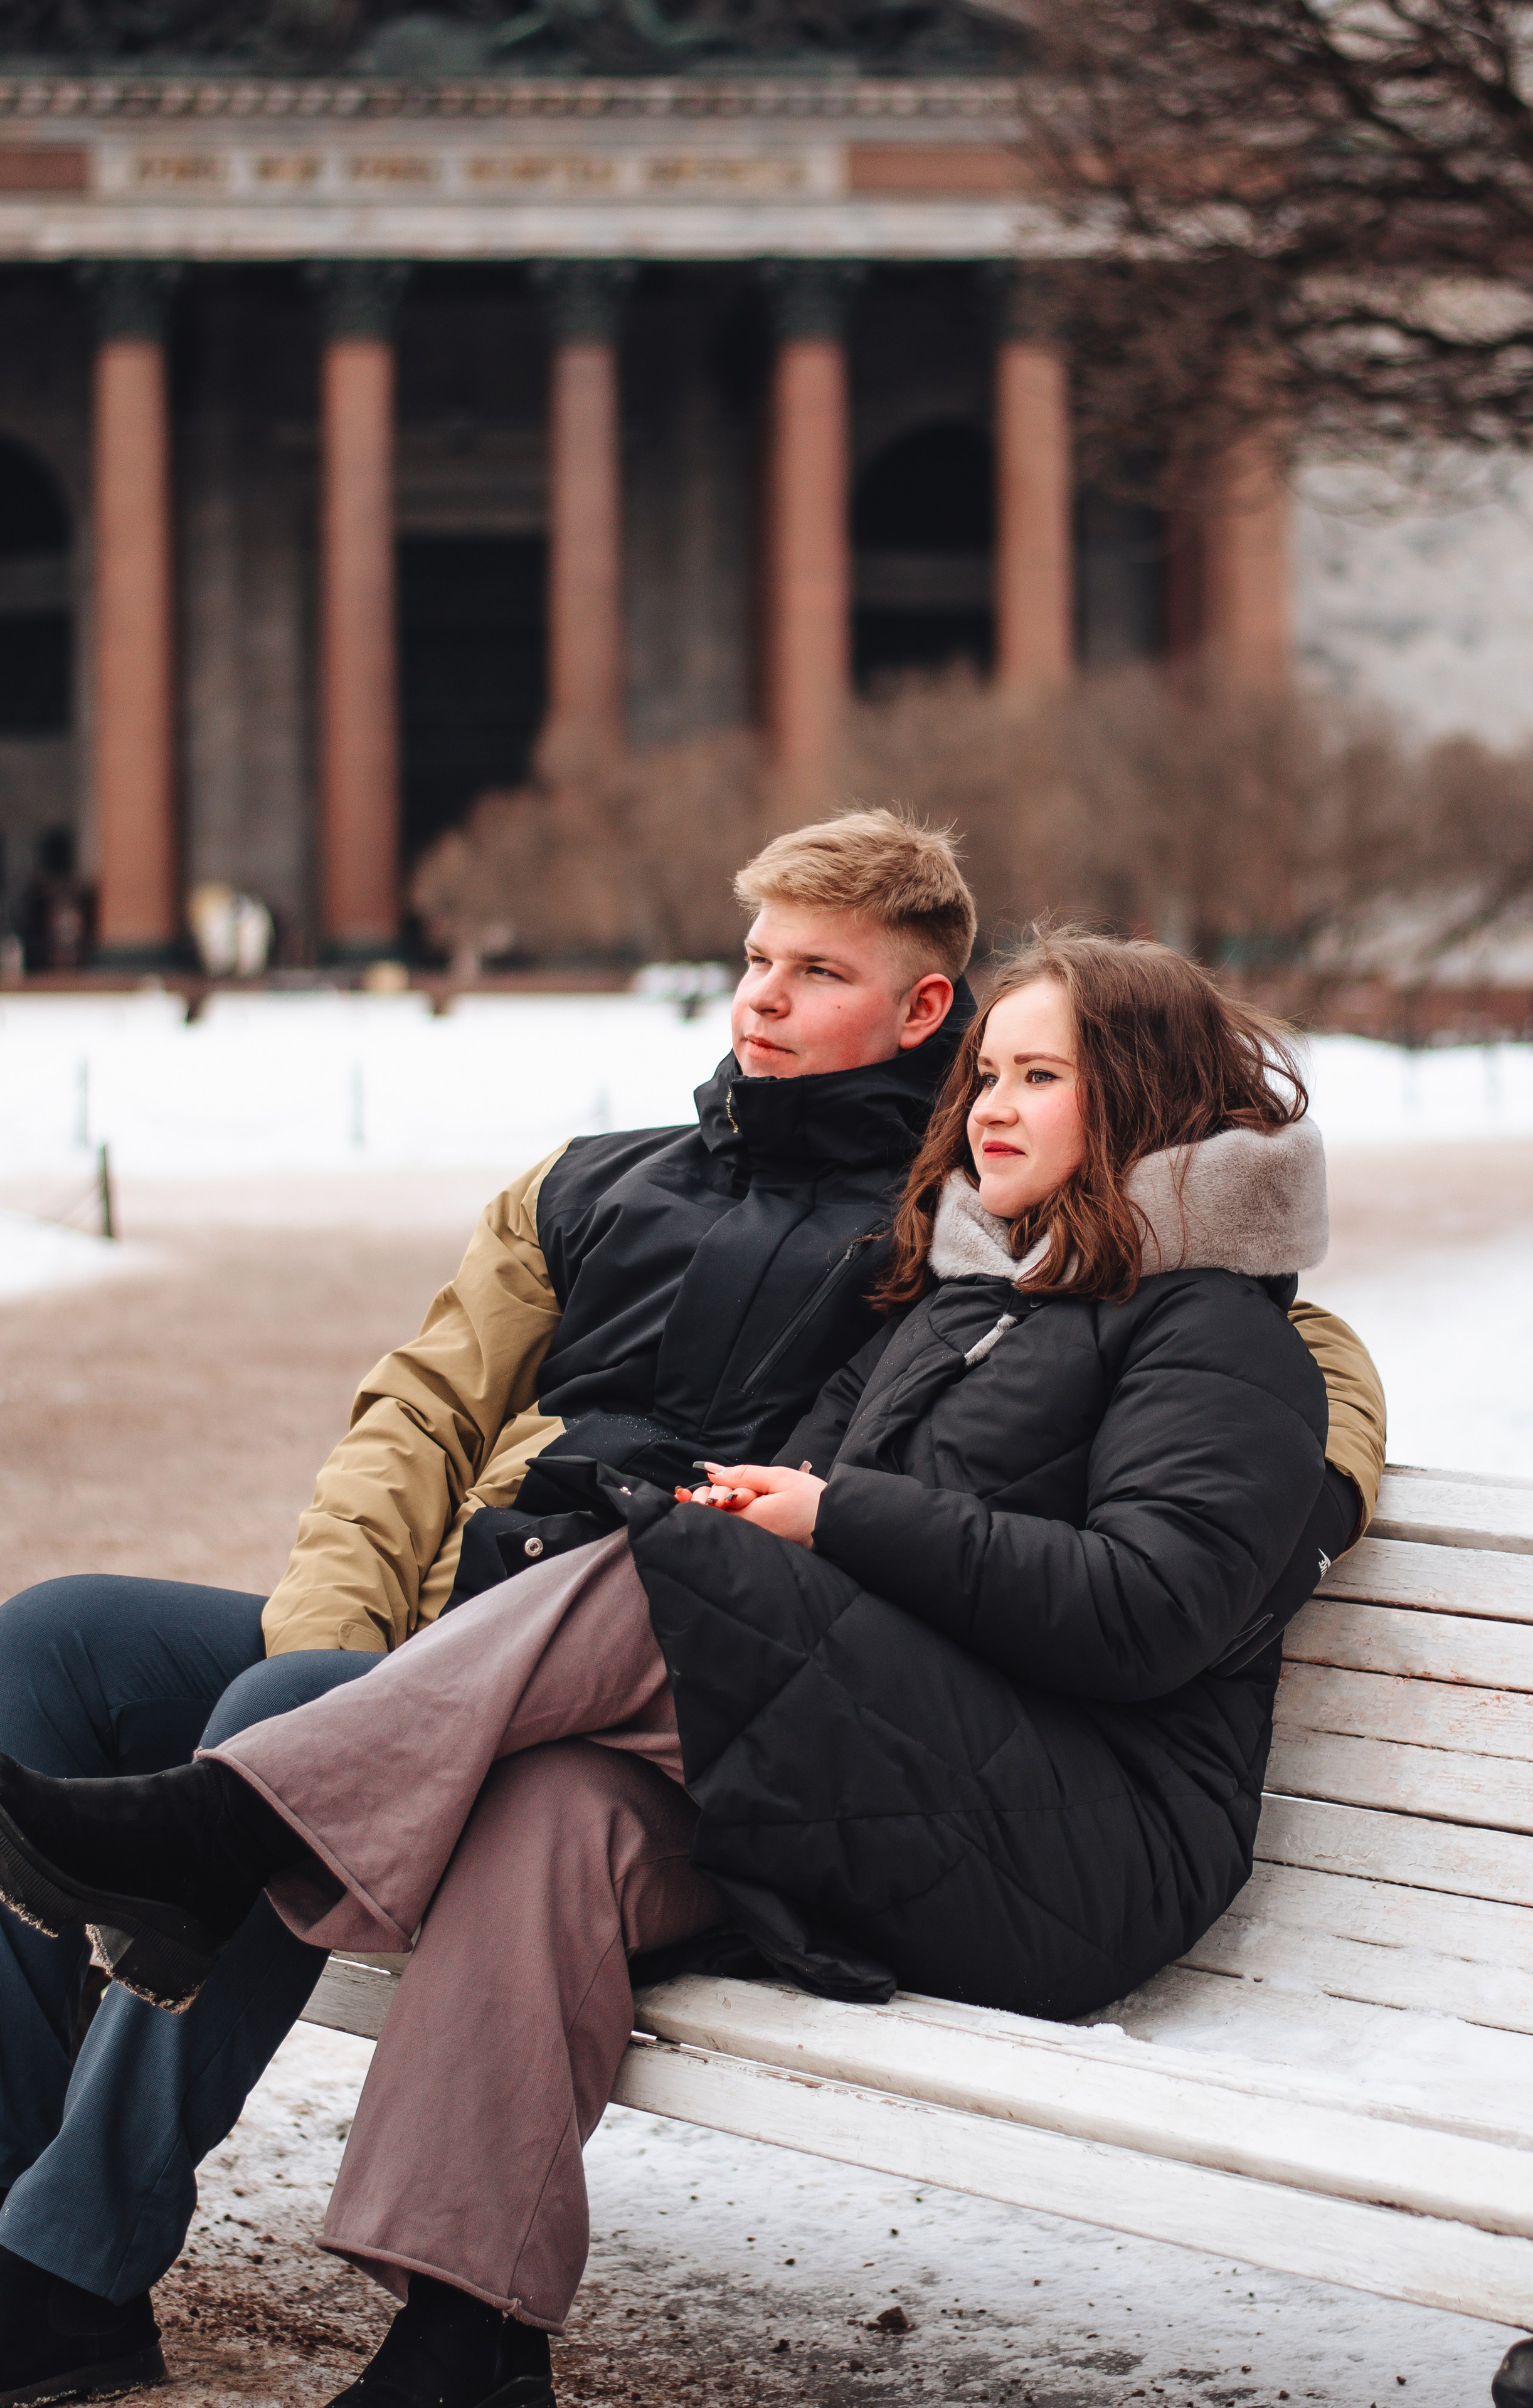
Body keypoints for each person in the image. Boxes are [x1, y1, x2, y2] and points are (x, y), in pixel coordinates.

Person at [0, 928, 1379, 2408]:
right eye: (987, 1075)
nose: (990, 1105)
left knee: (667, 1575)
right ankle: (462, 2345)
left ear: (1145, 1097)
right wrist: (739, 1507)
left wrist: (831, 1518)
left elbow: (1150, 1606)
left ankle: (231, 1831)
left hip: (1076, 1840)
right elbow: (767, 1491)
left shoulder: (1218, 1331)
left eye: (1038, 1077)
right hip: (902, 1790)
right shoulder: (965, 1301)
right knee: (557, 1812)